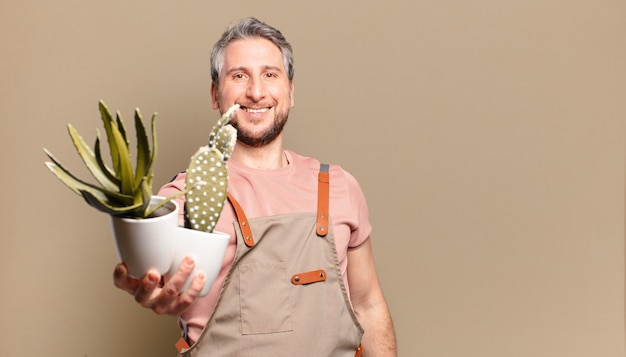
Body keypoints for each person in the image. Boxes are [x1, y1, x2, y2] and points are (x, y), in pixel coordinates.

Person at [113, 17, 397, 356]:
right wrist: (142, 286)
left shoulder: (339, 187)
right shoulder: (183, 198)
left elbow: (368, 305)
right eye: (239, 76)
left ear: (291, 92)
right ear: (215, 94)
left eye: (270, 74)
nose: (256, 91)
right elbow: (149, 279)